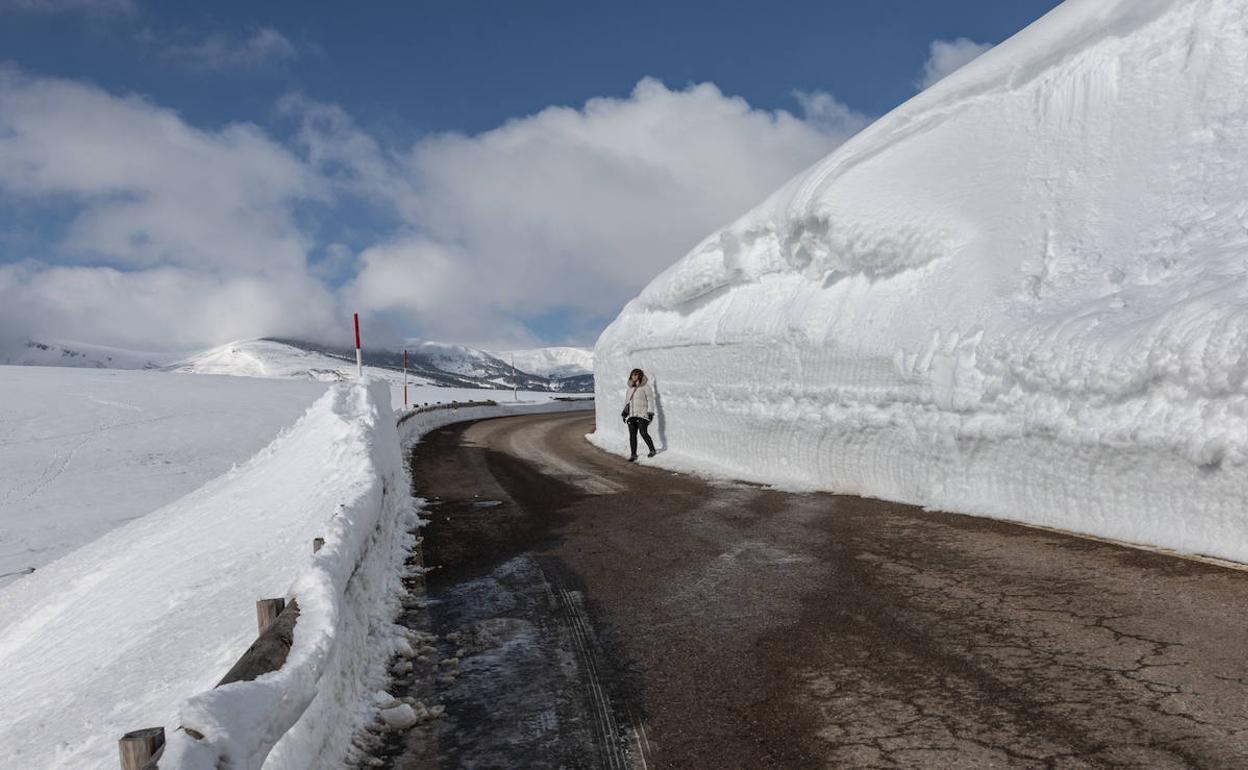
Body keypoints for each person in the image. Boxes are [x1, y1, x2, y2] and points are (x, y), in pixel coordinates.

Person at [620, 368, 657, 461]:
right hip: (631, 415)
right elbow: (626, 402)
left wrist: (650, 412)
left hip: (642, 414)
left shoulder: (645, 387)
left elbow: (650, 400)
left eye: (636, 374)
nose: (634, 376)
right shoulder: (630, 388)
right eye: (632, 374)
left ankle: (652, 450)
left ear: (640, 375)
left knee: (643, 432)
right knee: (632, 435)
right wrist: (624, 413)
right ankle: (633, 454)